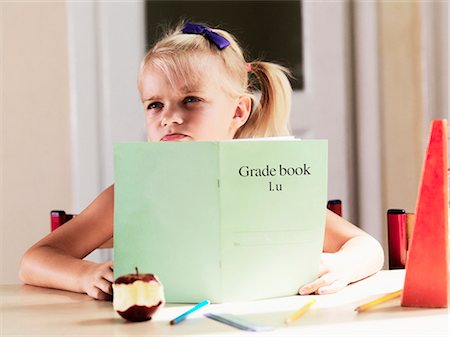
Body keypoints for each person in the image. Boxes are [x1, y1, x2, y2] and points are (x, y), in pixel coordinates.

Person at [19, 22, 384, 301]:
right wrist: (85, 276)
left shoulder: (269, 186)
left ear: (238, 111)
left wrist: (341, 267)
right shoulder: (130, 194)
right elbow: (35, 260)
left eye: (191, 100)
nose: (169, 117)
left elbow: (368, 248)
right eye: (155, 104)